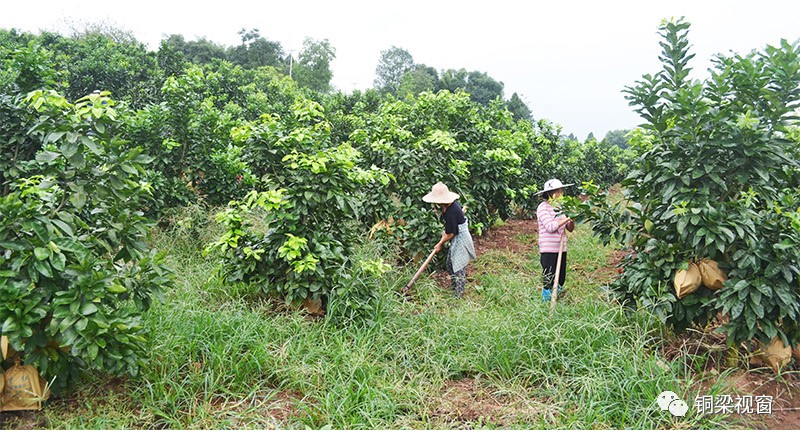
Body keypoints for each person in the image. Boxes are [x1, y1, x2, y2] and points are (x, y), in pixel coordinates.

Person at [423, 182, 476, 298]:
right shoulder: (447, 207)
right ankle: (454, 287)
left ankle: (458, 295)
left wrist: (440, 244)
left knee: (458, 267)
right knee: (450, 264)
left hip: (461, 238)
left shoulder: (451, 211)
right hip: (456, 236)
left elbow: (451, 233)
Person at [536, 179, 575, 302]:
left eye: (561, 191)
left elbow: (570, 228)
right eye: (558, 191)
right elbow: (551, 227)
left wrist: (571, 219)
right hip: (548, 248)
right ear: (549, 193)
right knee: (549, 278)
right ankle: (546, 302)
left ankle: (557, 300)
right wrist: (565, 218)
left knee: (561, 277)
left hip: (561, 247)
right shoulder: (543, 208)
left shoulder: (560, 207)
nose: (561, 193)